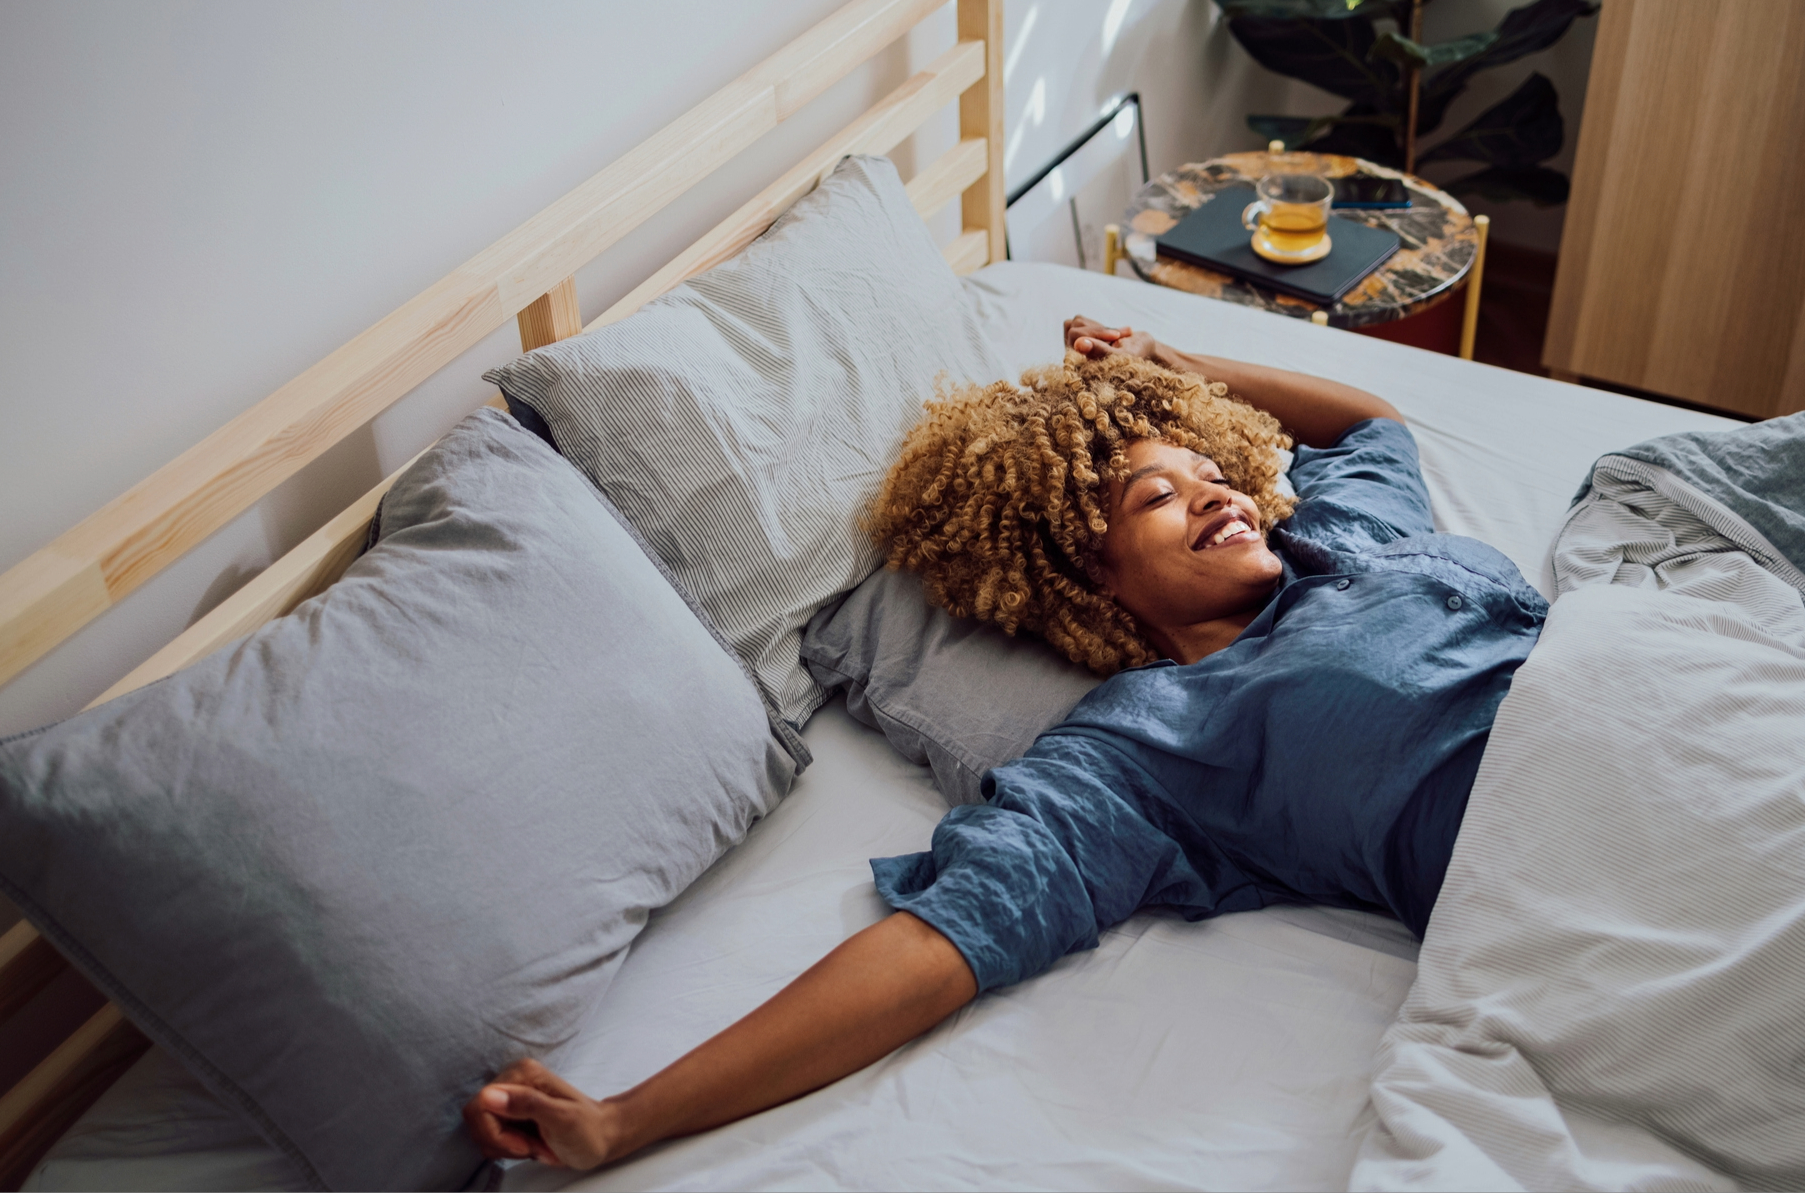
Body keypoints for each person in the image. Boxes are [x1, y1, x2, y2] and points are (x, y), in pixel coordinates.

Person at [463, 315, 1548, 1170]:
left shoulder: (1340, 529)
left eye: (1210, 471)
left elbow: (1371, 428)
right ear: (1093, 578)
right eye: (1154, 497)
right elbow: (942, 941)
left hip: (1657, 693)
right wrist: (625, 1116)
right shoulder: (1151, 750)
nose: (1214, 491)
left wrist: (1170, 359)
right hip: (1562, 847)